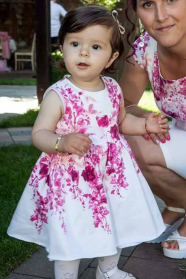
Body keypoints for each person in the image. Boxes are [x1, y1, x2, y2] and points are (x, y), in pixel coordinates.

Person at [7, 5, 168, 279]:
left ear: (110, 57)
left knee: (116, 222)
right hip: (73, 180)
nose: (83, 52)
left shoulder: (113, 88)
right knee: (72, 229)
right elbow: (39, 134)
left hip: (113, 173)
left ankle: (108, 270)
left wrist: (144, 125)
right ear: (63, 47)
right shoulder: (59, 94)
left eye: (95, 47)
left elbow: (118, 123)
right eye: (75, 43)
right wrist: (61, 141)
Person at [120, 0, 186, 259]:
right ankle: (178, 203)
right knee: (126, 136)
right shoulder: (146, 48)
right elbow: (123, 105)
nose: (160, 16)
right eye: (148, 4)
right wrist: (144, 118)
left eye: (171, 0)